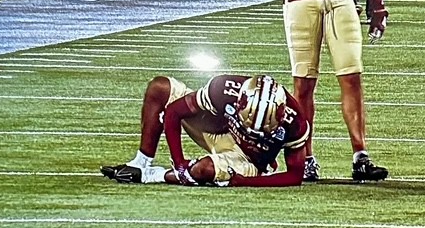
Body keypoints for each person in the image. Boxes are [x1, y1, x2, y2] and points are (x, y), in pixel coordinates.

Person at [100, 72, 310, 186]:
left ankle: (151, 175)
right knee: (160, 87)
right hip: (215, 129)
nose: (251, 132)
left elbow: (294, 176)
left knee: (205, 170)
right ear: (239, 103)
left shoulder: (296, 121)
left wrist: (247, 181)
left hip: (246, 158)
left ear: (281, 115)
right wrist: (179, 163)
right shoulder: (224, 88)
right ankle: (141, 162)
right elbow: (174, 111)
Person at [282, 0, 388, 182]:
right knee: (303, 84)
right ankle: (305, 158)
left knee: (351, 78)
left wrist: (377, 3)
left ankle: (361, 157)